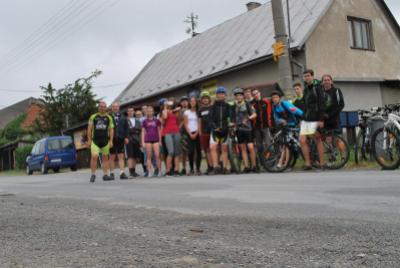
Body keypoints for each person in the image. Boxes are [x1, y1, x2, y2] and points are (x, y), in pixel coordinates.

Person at [300, 69, 326, 170]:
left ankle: (322, 163)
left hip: (316, 118)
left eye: (308, 76)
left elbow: (321, 103)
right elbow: (304, 105)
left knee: (317, 139)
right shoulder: (306, 89)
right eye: (305, 76)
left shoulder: (318, 87)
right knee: (302, 140)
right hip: (307, 118)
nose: (306, 78)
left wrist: (321, 119)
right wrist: (302, 119)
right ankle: (308, 164)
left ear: (312, 76)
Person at [271, 90, 304, 168]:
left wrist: (304, 118)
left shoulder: (285, 104)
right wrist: (280, 120)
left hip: (294, 125)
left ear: (279, 98)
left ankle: (283, 163)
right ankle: (284, 163)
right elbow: (275, 118)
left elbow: (296, 111)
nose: (274, 99)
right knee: (285, 145)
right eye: (273, 98)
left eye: (276, 97)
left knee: (288, 145)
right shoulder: (274, 106)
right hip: (285, 127)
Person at [87, 101, 114, 183]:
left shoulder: (109, 117)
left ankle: (105, 175)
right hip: (95, 141)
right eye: (101, 107)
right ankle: (93, 174)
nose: (102, 108)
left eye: (104, 107)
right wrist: (89, 140)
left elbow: (111, 129)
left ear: (106, 108)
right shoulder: (93, 117)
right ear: (98, 108)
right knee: (94, 156)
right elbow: (89, 129)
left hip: (105, 141)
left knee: (105, 159)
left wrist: (111, 141)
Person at [232, 88, 258, 173]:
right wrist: (232, 124)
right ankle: (246, 166)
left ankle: (254, 166)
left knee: (250, 147)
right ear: (235, 97)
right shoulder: (234, 106)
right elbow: (234, 118)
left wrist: (248, 118)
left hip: (248, 129)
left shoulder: (247, 104)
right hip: (239, 130)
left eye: (240, 95)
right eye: (237, 96)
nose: (238, 97)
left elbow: (254, 114)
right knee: (242, 148)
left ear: (243, 96)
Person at [209, 87, 233, 175]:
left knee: (224, 148)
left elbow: (230, 117)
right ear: (216, 95)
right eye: (219, 94)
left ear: (225, 95)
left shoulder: (228, 106)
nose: (220, 95)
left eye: (222, 94)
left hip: (225, 130)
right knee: (213, 147)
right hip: (215, 130)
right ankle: (216, 167)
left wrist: (230, 124)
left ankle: (225, 168)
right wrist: (215, 127)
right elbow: (210, 119)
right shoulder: (212, 106)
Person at [251, 88, 273, 160]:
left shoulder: (266, 102)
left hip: (266, 126)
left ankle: (271, 160)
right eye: (254, 94)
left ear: (259, 93)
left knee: (268, 144)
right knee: (259, 146)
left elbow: (270, 113)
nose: (256, 95)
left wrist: (272, 124)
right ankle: (262, 161)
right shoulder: (252, 105)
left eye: (256, 93)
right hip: (256, 128)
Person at [162, 100, 182, 176]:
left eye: (171, 103)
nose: (170, 104)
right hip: (168, 133)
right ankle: (168, 170)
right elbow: (165, 117)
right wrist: (165, 107)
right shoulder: (165, 111)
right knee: (170, 152)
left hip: (176, 132)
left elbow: (179, 119)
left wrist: (177, 111)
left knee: (177, 152)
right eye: (168, 103)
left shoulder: (176, 111)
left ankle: (176, 170)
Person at [109, 102, 128, 180]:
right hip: (111, 138)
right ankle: (112, 173)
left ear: (119, 107)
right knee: (112, 156)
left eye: (116, 106)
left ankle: (122, 173)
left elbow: (126, 128)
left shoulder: (123, 116)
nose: (115, 108)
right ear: (112, 108)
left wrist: (126, 137)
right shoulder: (108, 116)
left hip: (121, 138)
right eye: (113, 107)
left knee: (121, 156)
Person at [142, 106, 162, 177]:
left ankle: (160, 171)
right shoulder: (144, 121)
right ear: (146, 112)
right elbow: (143, 132)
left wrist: (160, 141)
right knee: (149, 156)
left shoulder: (157, 120)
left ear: (153, 112)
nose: (149, 112)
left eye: (151, 111)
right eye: (148, 111)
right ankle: (150, 172)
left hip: (156, 139)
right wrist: (143, 142)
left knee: (157, 155)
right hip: (147, 140)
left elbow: (159, 131)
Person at [184, 96, 202, 175]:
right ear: (189, 103)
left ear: (196, 102)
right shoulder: (186, 112)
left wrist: (197, 132)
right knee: (190, 151)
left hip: (197, 133)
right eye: (191, 101)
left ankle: (198, 169)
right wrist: (190, 134)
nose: (192, 102)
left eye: (194, 101)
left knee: (198, 151)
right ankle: (191, 169)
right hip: (189, 133)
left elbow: (199, 123)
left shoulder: (198, 112)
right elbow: (185, 124)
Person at [198, 91, 213, 174]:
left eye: (207, 98)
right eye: (204, 99)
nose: (205, 100)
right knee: (207, 150)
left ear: (209, 99)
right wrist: (200, 133)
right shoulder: (200, 110)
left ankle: (215, 165)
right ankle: (210, 166)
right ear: (201, 100)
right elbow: (199, 122)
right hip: (204, 132)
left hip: (213, 131)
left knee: (214, 149)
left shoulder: (212, 107)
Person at [126, 107, 142, 178]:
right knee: (130, 156)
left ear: (134, 112)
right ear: (127, 112)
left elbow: (140, 130)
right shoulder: (125, 120)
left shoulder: (137, 120)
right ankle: (130, 171)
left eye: (132, 111)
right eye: (129, 111)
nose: (131, 112)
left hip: (137, 139)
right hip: (128, 139)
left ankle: (134, 171)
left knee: (135, 156)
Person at [179, 96, 190, 175]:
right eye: (183, 101)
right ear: (180, 103)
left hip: (191, 131)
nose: (184, 102)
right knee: (183, 152)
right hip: (182, 132)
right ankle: (183, 168)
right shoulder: (179, 111)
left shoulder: (192, 110)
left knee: (192, 151)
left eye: (186, 101)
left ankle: (193, 167)